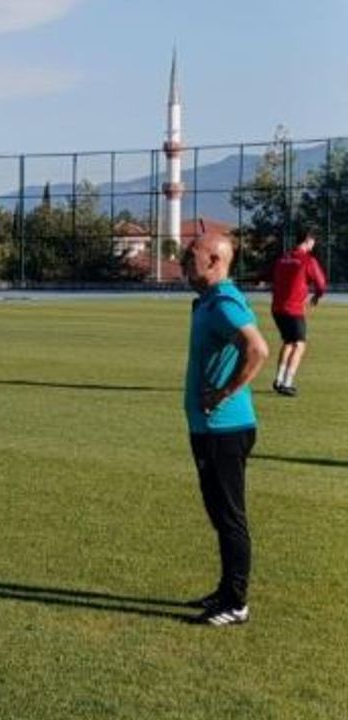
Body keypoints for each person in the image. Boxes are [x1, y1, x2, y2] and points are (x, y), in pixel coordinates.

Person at [180, 232, 269, 627]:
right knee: (219, 513)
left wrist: (223, 392)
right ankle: (226, 589)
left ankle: (235, 603)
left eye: (191, 254)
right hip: (209, 429)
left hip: (225, 429)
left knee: (230, 517)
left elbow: (258, 348)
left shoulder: (224, 302)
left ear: (215, 260)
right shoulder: (209, 301)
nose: (184, 260)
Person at [269, 229, 328, 397]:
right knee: (299, 344)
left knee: (288, 342)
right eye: (313, 241)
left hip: (277, 308)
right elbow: (321, 284)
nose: (314, 244)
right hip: (293, 309)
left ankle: (278, 379)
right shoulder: (308, 260)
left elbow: (270, 275)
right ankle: (287, 383)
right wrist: (317, 295)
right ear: (308, 240)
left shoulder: (283, 258)